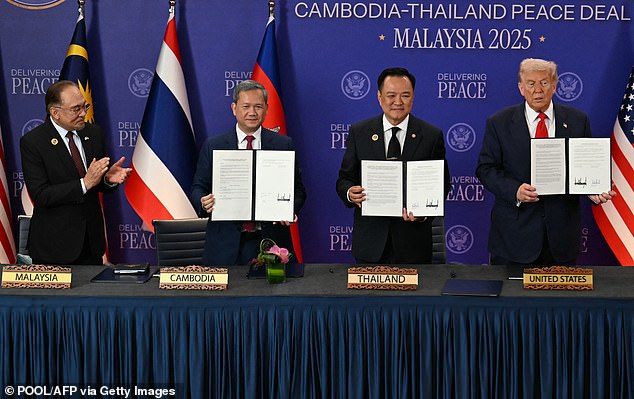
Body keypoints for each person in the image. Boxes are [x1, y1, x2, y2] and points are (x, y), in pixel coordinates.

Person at [476, 58, 616, 266]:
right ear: (521, 88)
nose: (538, 90)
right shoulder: (499, 123)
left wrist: (593, 189)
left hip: (561, 239)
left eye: (544, 82)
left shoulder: (578, 121)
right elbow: (485, 169)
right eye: (531, 83)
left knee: (558, 299)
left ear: (555, 86)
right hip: (513, 239)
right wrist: (515, 190)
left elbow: (585, 166)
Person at [336, 67, 451, 264]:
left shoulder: (431, 136)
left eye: (405, 95)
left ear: (413, 98)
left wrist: (423, 213)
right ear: (379, 97)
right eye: (391, 95)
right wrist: (349, 193)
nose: (398, 102)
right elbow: (344, 179)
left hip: (413, 244)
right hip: (370, 243)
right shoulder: (360, 132)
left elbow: (442, 185)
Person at [190, 80, 306, 266]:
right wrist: (203, 201)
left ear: (267, 109)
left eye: (258, 106)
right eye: (246, 106)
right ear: (234, 108)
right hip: (224, 245)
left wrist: (290, 209)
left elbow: (298, 191)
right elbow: (198, 187)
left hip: (271, 242)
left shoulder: (284, 144)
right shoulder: (214, 145)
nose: (252, 112)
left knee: (276, 294)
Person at [20, 80, 132, 265]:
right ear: (55, 113)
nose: (83, 113)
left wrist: (108, 179)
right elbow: (41, 195)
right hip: (54, 247)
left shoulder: (94, 134)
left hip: (91, 244)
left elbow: (96, 185)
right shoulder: (34, 142)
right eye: (75, 109)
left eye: (84, 107)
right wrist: (84, 183)